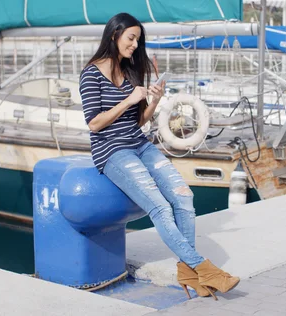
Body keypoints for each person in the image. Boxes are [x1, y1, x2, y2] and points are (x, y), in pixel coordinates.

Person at [79, 12, 239, 300]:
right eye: (131, 38)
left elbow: (137, 122)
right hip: (112, 152)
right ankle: (202, 268)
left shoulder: (129, 70)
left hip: (139, 143)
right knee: (161, 208)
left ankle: (188, 272)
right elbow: (94, 123)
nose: (135, 45)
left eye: (138, 40)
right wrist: (129, 99)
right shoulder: (91, 74)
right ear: (114, 35)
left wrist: (154, 100)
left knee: (184, 197)